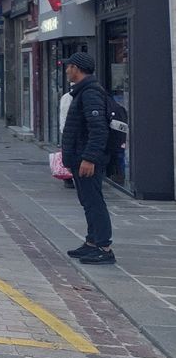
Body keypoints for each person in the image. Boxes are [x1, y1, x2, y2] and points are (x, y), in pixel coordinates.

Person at [61, 52, 114, 265]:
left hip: (86, 159)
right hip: (79, 157)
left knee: (94, 202)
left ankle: (104, 247)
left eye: (69, 66)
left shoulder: (90, 93)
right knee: (87, 202)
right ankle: (92, 243)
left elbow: (98, 129)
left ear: (77, 68)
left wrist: (90, 158)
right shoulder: (82, 92)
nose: (66, 70)